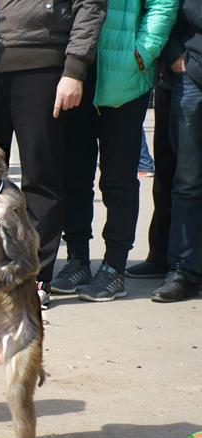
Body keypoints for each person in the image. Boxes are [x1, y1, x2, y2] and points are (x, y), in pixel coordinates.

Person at [0, 0, 106, 306]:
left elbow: (90, 5)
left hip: (41, 65)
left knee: (41, 176)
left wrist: (75, 69)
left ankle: (35, 274)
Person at [52, 0, 176, 302]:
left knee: (118, 179)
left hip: (125, 75)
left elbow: (163, 4)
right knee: (74, 176)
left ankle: (114, 266)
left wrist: (143, 52)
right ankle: (77, 260)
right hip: (75, 71)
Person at [151, 1, 202, 302]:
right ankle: (182, 270)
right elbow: (162, 8)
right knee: (187, 179)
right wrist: (173, 56)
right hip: (191, 72)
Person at [127, 68, 178, 279]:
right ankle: (160, 255)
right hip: (170, 76)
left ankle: (184, 263)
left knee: (188, 181)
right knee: (166, 173)